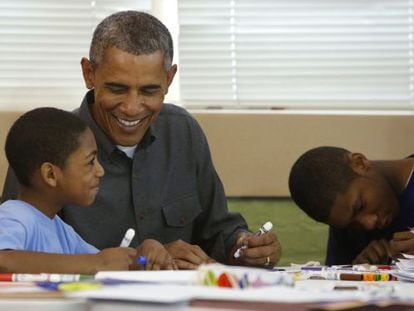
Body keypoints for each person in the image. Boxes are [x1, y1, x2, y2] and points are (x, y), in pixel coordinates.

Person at [2, 11, 281, 269]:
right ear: (89, 73)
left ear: (169, 79)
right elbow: (20, 256)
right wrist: (144, 258)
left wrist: (246, 246)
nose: (132, 108)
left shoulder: (183, 133)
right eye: (117, 88)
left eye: (149, 90)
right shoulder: (48, 144)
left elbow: (216, 231)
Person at [0, 107, 176, 273]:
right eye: (90, 162)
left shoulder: (63, 231)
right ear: (51, 175)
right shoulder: (14, 215)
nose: (100, 171)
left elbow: (107, 265)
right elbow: (3, 261)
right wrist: (97, 263)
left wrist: (143, 256)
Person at [288, 146, 414, 265]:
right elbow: (335, 281)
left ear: (360, 163)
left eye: (360, 206)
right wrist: (360, 270)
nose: (369, 224)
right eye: (353, 226)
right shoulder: (343, 219)